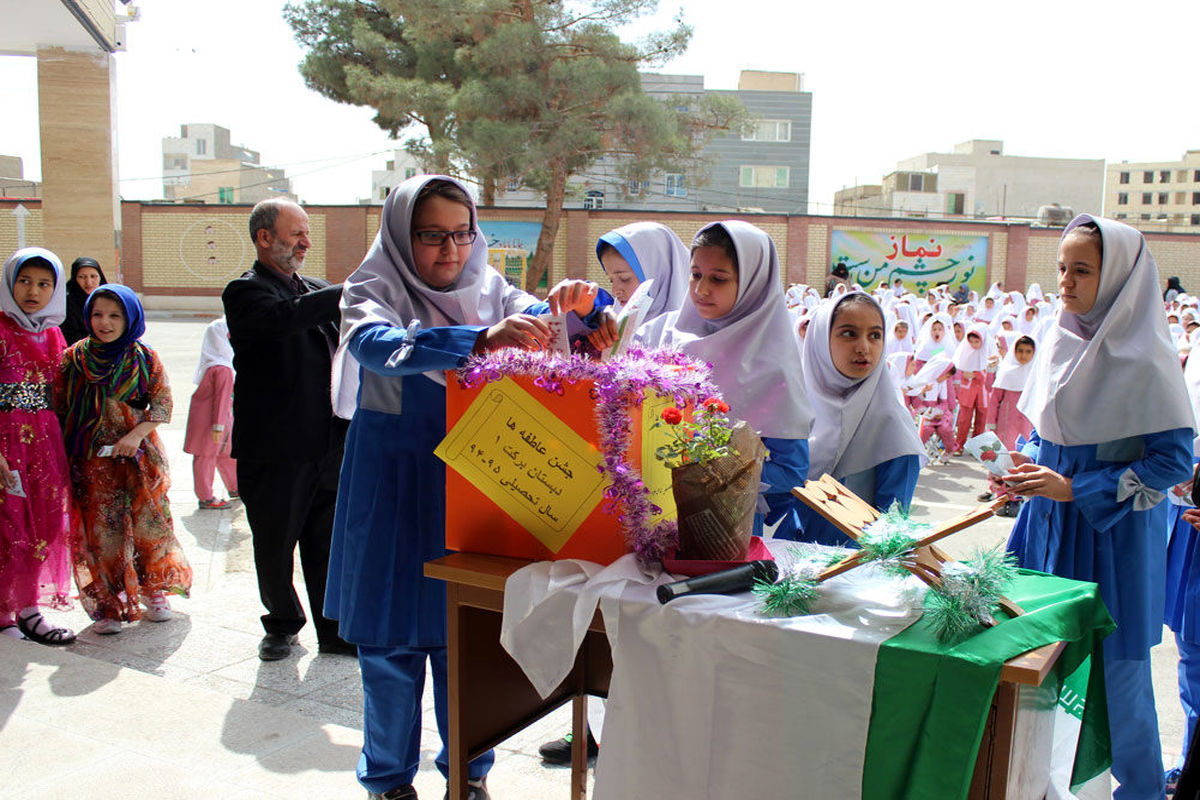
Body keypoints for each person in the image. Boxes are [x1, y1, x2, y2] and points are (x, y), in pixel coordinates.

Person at [326, 175, 610, 800]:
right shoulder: (373, 288)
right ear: (404, 236)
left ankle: (469, 775)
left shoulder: (492, 290)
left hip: (476, 480)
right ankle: (388, 783)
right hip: (395, 481)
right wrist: (476, 341)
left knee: (469, 640)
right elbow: (374, 346)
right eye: (432, 236)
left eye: (461, 234)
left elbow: (550, 318)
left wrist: (582, 306)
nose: (450, 250)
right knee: (391, 645)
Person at [1000, 215, 1195, 800]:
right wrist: (1026, 467)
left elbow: (1173, 464)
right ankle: (1040, 780)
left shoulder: (1146, 359)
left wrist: (1078, 488)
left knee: (1118, 675)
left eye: (1082, 270)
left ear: (1118, 279)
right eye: (1062, 268)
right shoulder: (1059, 338)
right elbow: (1047, 434)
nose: (1065, 281)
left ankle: (1138, 791)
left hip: (1113, 539)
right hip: (1050, 526)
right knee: (1040, 661)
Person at [222, 198, 353, 661]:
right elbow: (285, 318)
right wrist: (351, 289)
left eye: (306, 233)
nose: (306, 241)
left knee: (325, 543)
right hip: (274, 450)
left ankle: (333, 631)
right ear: (264, 238)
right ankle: (281, 623)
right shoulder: (245, 292)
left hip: (326, 443)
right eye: (296, 233)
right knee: (275, 544)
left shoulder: (315, 288)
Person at [637, 220, 812, 536]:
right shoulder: (661, 333)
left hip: (728, 526)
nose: (701, 289)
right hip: (652, 512)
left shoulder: (774, 367)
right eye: (695, 275)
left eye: (718, 279)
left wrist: (716, 471)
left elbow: (791, 471)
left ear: (752, 284)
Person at [59, 284, 192, 634]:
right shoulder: (73, 358)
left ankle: (153, 591)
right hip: (92, 462)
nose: (105, 322)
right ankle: (109, 602)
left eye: (115, 315)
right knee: (102, 532)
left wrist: (133, 437)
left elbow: (162, 405)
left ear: (130, 317)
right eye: (97, 314)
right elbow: (60, 407)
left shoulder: (144, 358)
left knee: (150, 525)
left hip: (139, 459)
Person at [790, 292, 923, 546]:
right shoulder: (794, 411)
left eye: (875, 335)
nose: (864, 347)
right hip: (787, 558)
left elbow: (891, 529)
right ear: (819, 340)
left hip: (851, 569)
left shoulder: (892, 427)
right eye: (849, 333)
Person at [0, 248, 75, 644]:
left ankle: (29, 607)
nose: (33, 291)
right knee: (7, 523)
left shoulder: (53, 333)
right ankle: (2, 612)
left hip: (45, 440)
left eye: (44, 284)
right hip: (5, 439)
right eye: (25, 280)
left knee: (42, 522)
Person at [182, 316, 237, 510]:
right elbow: (221, 400)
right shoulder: (221, 368)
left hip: (215, 420)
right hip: (212, 421)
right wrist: (219, 426)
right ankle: (206, 496)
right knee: (206, 456)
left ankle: (235, 487)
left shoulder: (214, 364)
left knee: (225, 453)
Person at [595, 222, 689, 317]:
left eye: (624, 279)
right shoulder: (612, 322)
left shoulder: (695, 328)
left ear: (659, 274)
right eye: (611, 280)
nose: (615, 291)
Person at [952, 323, 990, 452]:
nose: (973, 344)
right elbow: (957, 368)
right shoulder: (964, 351)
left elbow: (991, 371)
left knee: (981, 420)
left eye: (977, 341)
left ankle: (977, 448)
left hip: (983, 391)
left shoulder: (988, 352)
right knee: (964, 420)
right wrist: (965, 374)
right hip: (967, 390)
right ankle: (959, 445)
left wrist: (978, 374)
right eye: (971, 341)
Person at [60, 256, 107, 345]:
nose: (88, 282)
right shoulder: (67, 303)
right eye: (82, 277)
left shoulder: (108, 299)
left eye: (93, 276)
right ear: (75, 279)